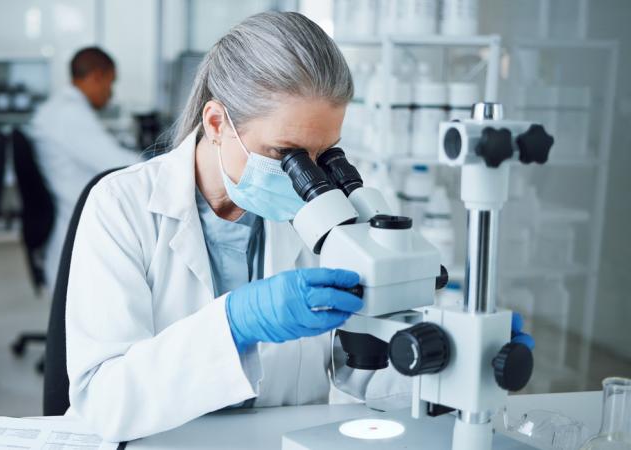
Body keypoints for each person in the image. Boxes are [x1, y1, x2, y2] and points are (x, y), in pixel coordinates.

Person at [64, 12, 534, 442]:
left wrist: (448, 353)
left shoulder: (329, 220)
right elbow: (103, 402)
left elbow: (362, 370)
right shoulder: (120, 206)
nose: (309, 177)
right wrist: (232, 326)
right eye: (284, 155)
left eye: (324, 155)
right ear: (216, 121)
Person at [30, 46, 141, 288]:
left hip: (74, 221)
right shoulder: (67, 113)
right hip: (76, 233)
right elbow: (119, 163)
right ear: (96, 77)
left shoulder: (63, 108)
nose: (110, 93)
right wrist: (171, 160)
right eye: (110, 83)